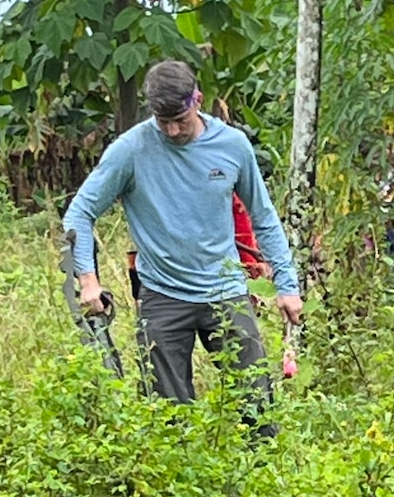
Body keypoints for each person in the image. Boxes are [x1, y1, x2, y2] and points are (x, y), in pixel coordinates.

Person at [61, 60, 302, 437]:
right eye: (163, 121)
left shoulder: (232, 146)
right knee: (168, 420)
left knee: (258, 409)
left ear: (198, 100)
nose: (172, 130)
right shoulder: (131, 150)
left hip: (226, 293)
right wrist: (89, 280)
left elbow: (264, 217)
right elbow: (80, 213)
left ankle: (263, 484)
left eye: (180, 119)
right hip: (162, 296)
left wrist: (286, 286)